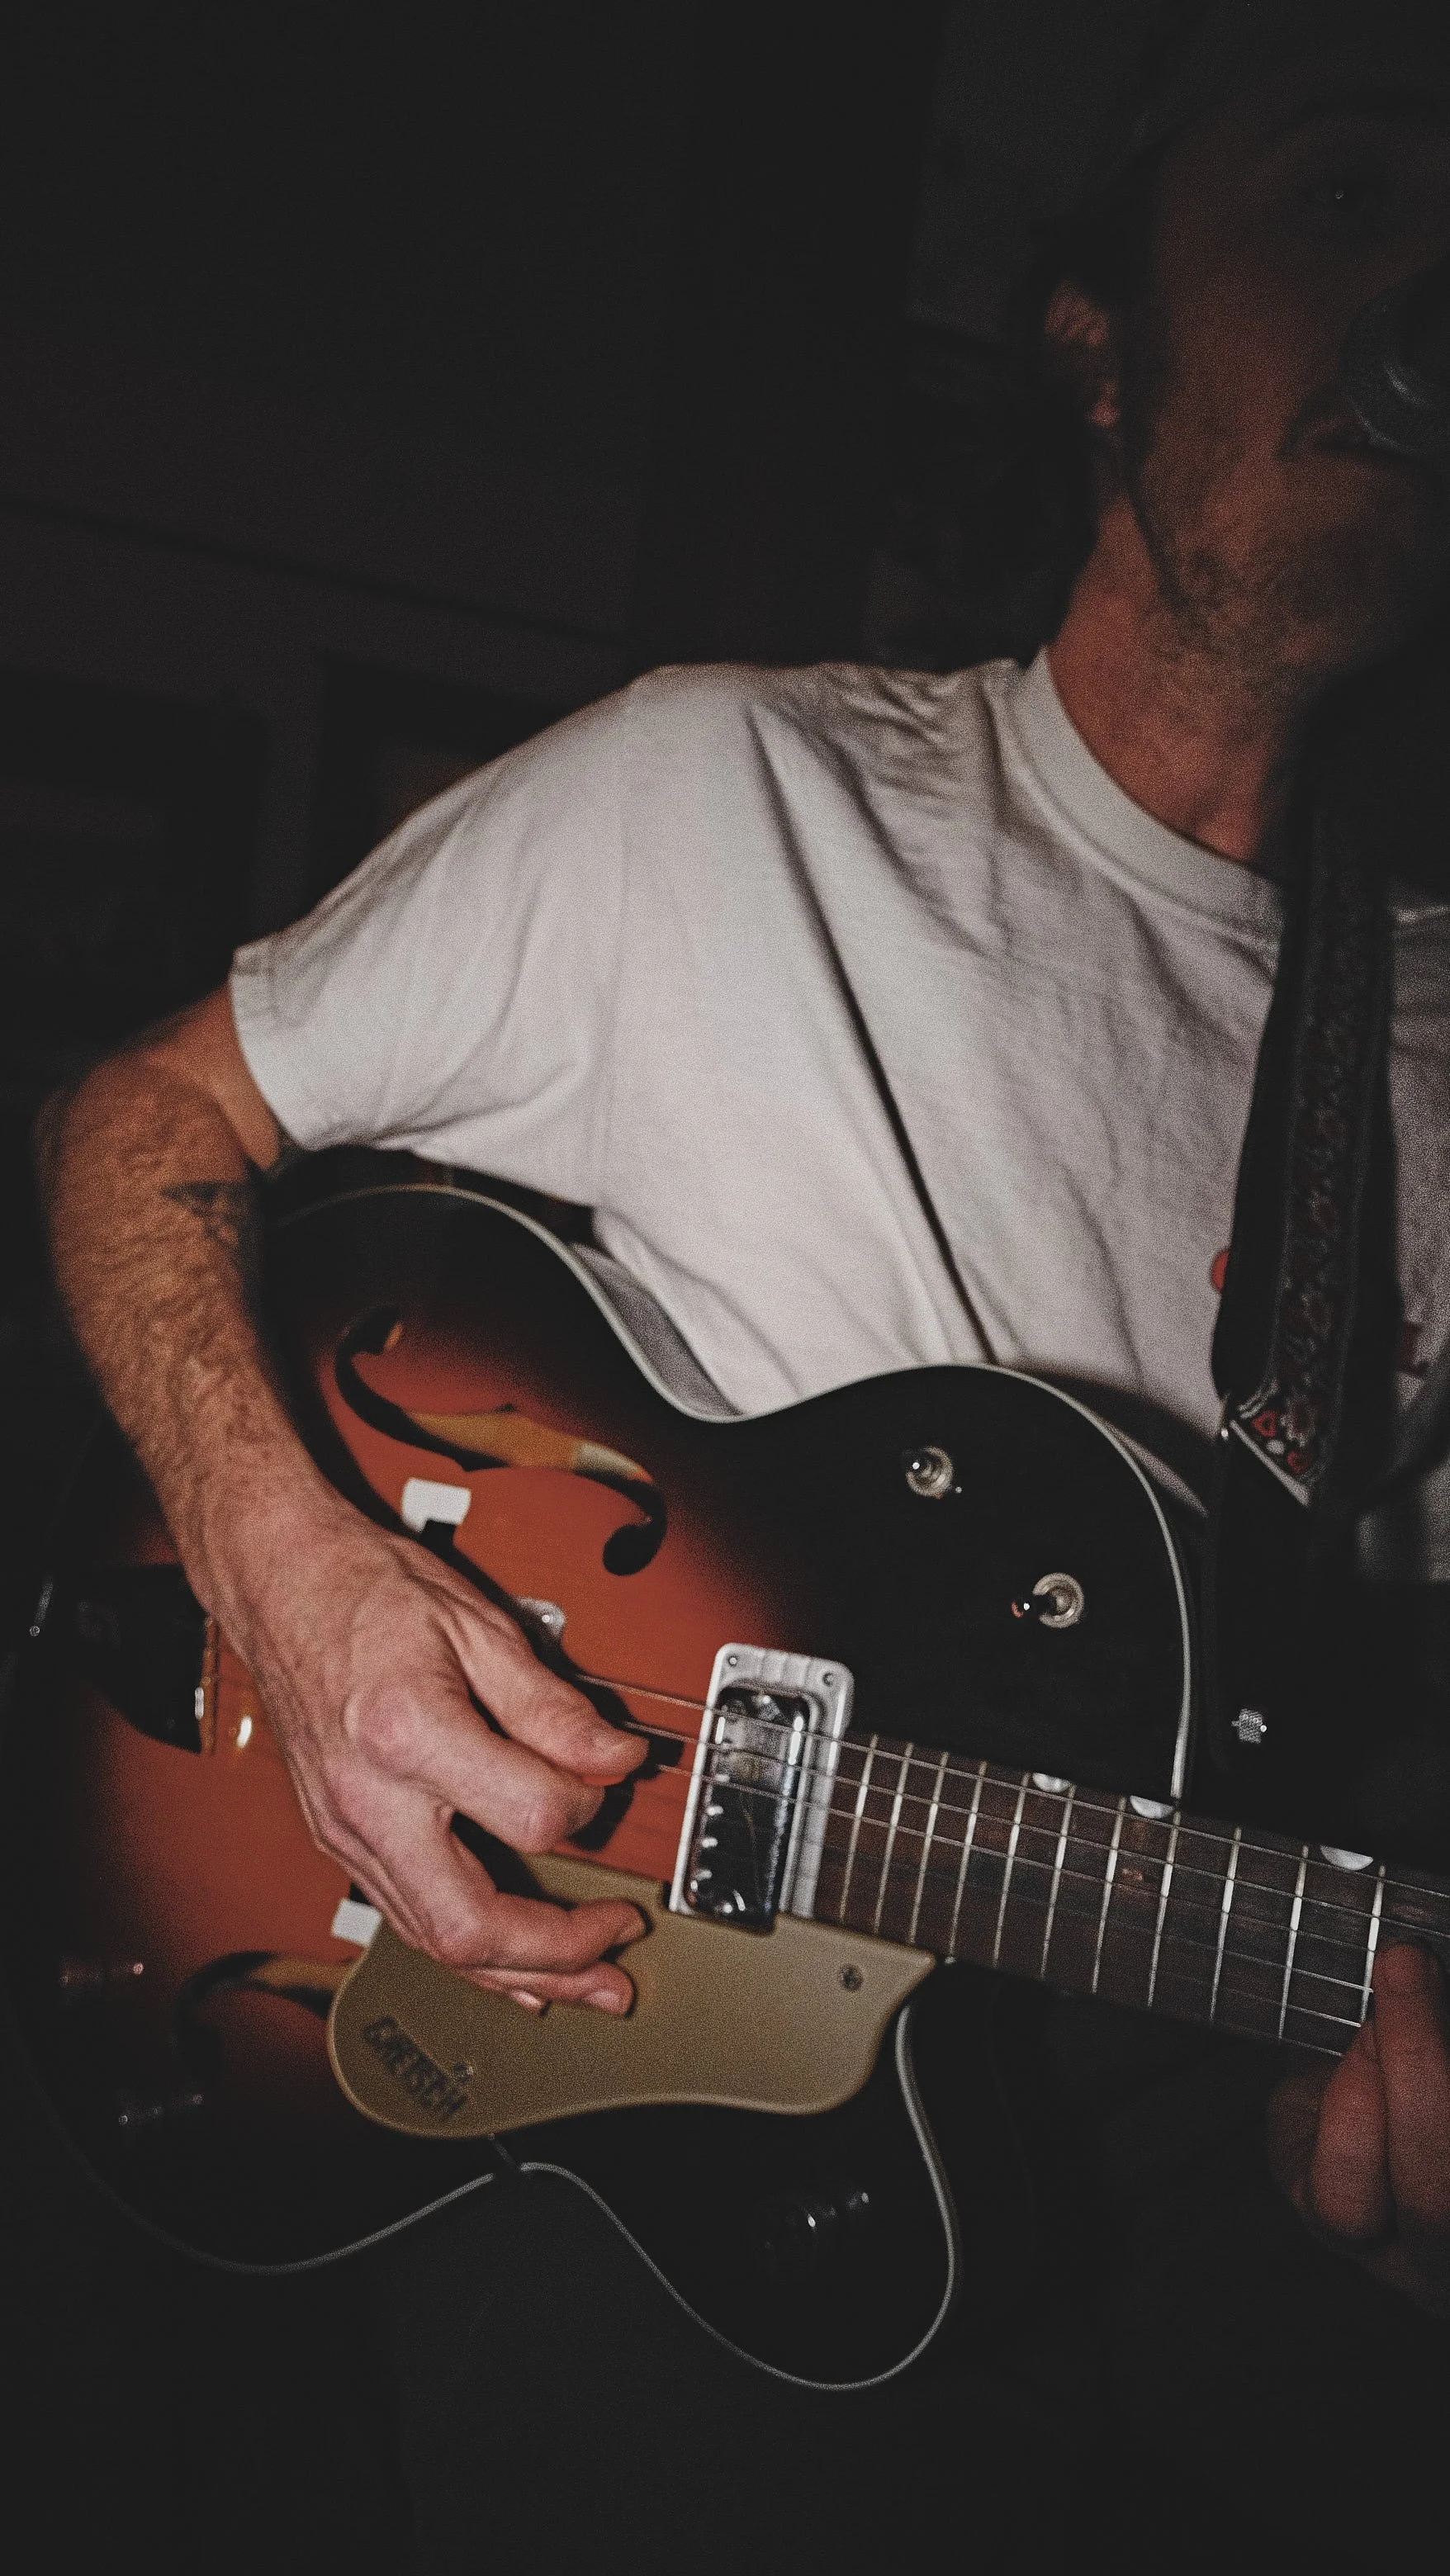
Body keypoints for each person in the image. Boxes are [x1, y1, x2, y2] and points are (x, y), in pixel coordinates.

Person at [36, 1, 1450, 2562]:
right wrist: (300, 1576)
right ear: (1092, 350)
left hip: (1154, 2113)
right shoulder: (717, 795)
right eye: (1347, 191)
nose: (1423, 283)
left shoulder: (1426, 1066)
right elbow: (139, 1125)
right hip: (621, 2071)